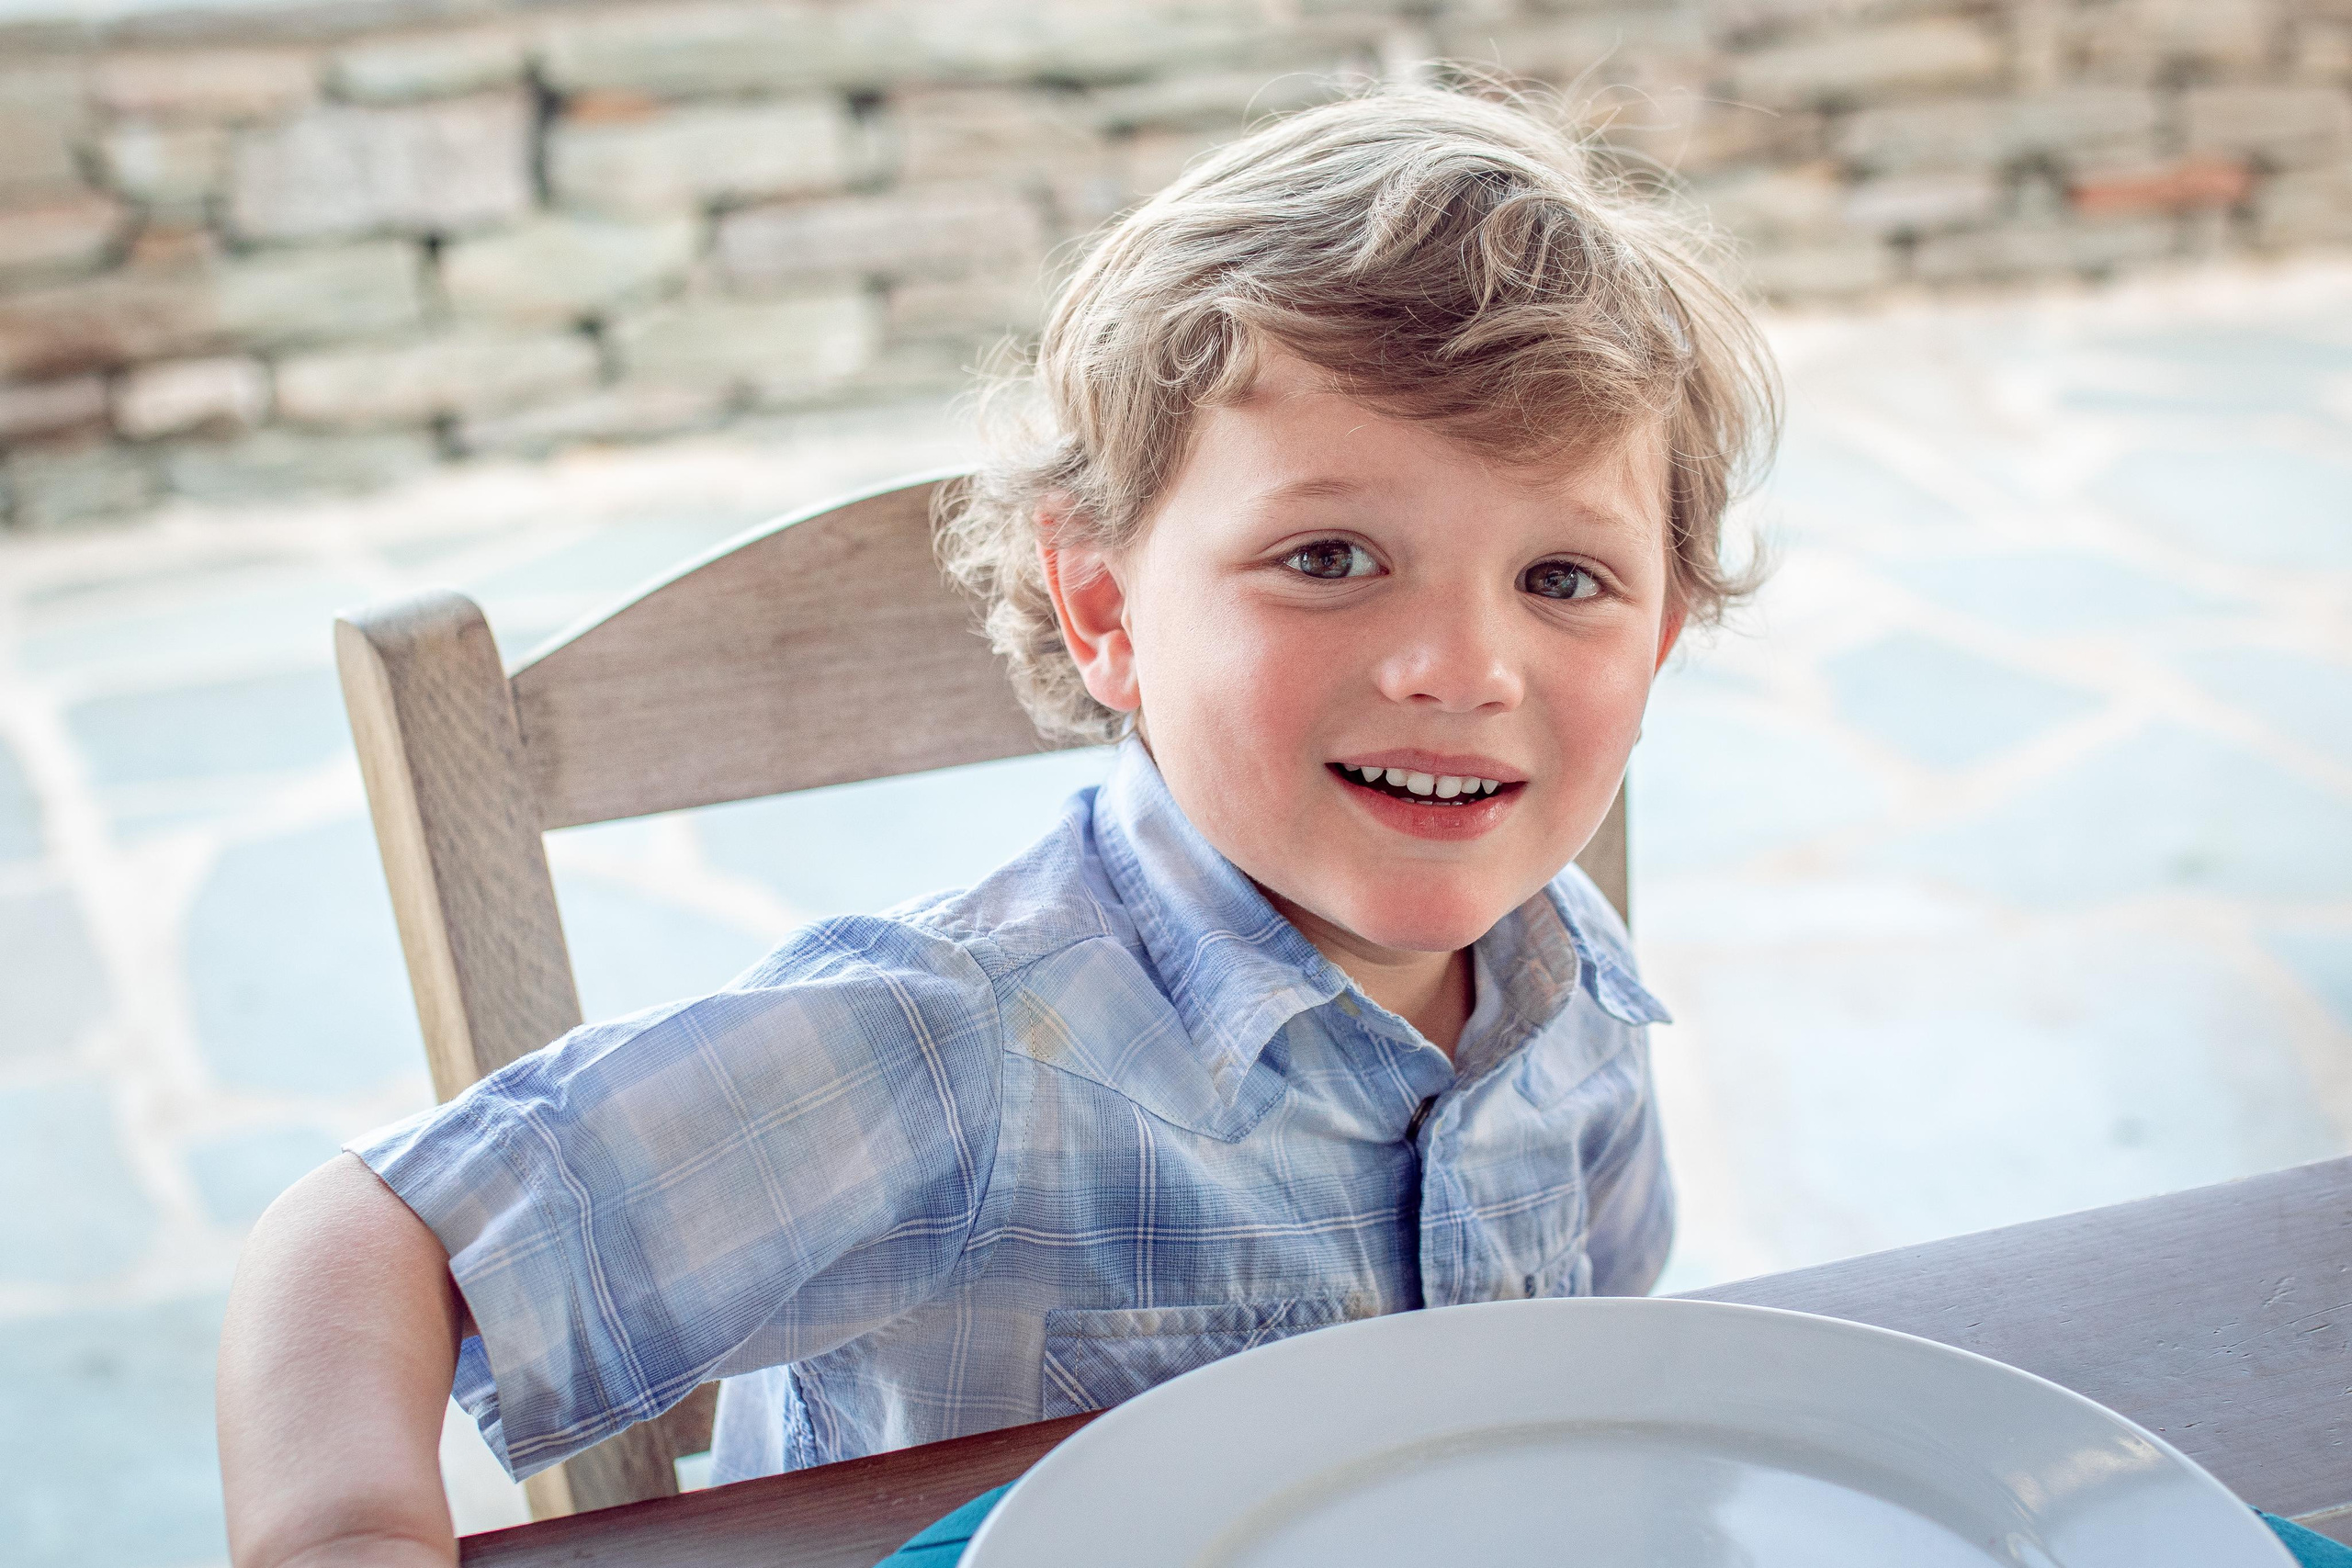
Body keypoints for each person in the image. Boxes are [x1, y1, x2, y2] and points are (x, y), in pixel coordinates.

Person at [216, 80, 1778, 1567]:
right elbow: (368, 1240)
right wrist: (344, 1535)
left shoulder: (1574, 982)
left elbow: (1598, 1372)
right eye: (1328, 558)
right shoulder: (952, 1053)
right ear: (1103, 605)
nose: (1461, 668)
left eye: (1562, 579)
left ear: (1656, 643)